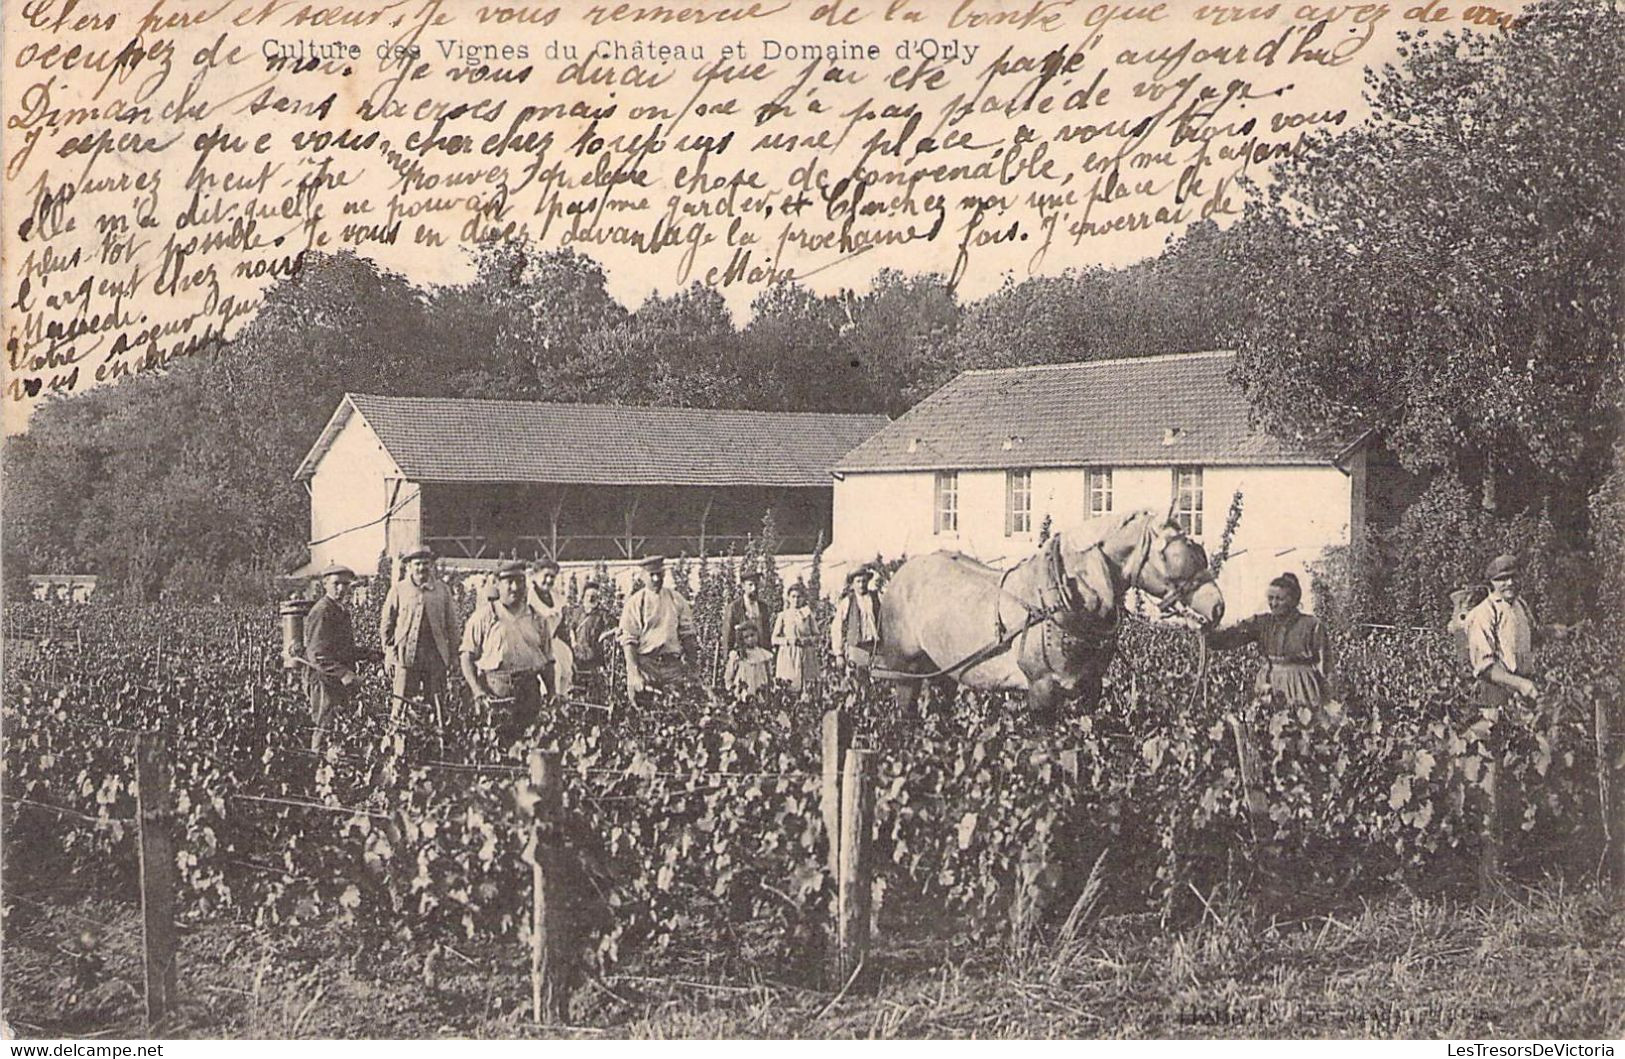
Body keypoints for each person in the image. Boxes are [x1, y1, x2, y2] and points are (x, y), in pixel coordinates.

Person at [1204, 573, 1333, 709]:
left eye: (1279, 599)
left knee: (1302, 723)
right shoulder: (1261, 623)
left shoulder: (1311, 625)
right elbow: (1230, 638)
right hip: (1269, 684)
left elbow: (1325, 665)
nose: (1273, 603)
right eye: (1270, 598)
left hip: (1301, 686)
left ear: (1293, 600)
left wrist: (1330, 701)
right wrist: (1207, 631)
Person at [461, 561, 555, 741]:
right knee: (497, 747)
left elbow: (548, 661)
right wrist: (477, 690)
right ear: (496, 583)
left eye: (520, 581)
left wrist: (552, 692)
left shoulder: (537, 619)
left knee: (529, 745)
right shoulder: (484, 617)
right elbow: (466, 656)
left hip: (529, 691)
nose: (515, 587)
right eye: (509, 581)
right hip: (496, 692)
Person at [1463, 554, 1571, 707]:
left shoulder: (1520, 604)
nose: (1510, 583)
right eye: (1502, 579)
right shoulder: (1483, 613)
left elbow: (1530, 637)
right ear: (1491, 583)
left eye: (1514, 577)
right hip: (1496, 693)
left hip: (1522, 686)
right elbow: (1484, 668)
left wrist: (1551, 631)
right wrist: (1520, 684)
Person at [378, 546, 458, 718]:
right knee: (401, 705)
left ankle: (437, 741)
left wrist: (453, 656)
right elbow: (387, 624)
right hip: (406, 656)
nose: (422, 568)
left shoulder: (442, 590)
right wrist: (389, 653)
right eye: (417, 564)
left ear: (431, 565)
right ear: (409, 566)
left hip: (435, 657)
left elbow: (452, 626)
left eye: (426, 563)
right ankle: (397, 740)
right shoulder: (399, 590)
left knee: (437, 706)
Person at [618, 555, 703, 704]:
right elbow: (629, 641)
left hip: (672, 667)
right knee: (645, 713)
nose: (656, 579)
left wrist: (693, 669)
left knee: (680, 710)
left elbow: (688, 636)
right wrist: (634, 673)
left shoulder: (676, 599)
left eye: (659, 574)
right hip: (647, 666)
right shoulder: (635, 603)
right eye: (652, 575)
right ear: (643, 577)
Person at [303, 566, 373, 743]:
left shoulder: (340, 610)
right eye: (336, 583)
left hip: (334, 679)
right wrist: (344, 673)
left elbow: (342, 650)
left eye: (345, 584)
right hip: (323, 680)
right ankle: (318, 767)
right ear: (325, 584)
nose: (341, 588)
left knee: (339, 728)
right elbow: (317, 655)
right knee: (324, 728)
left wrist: (370, 654)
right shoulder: (322, 611)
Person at [528, 559, 573, 696]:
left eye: (552, 577)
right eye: (545, 575)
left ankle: (560, 709)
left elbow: (562, 628)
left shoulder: (556, 597)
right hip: (534, 646)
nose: (548, 580)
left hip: (554, 643)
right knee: (550, 676)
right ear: (535, 575)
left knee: (566, 672)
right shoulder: (528, 598)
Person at [567, 582, 616, 702]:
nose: (590, 598)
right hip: (577, 653)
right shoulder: (577, 612)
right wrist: (573, 642)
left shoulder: (602, 614)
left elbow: (616, 628)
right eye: (588, 595)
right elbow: (571, 628)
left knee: (593, 685)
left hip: (594, 655)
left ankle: (591, 708)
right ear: (584, 596)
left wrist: (603, 636)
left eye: (593, 595)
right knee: (575, 682)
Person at [771, 583, 820, 696]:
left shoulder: (808, 615)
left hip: (806, 654)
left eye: (799, 597)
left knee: (808, 687)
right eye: (793, 596)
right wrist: (787, 641)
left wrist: (808, 640)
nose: (796, 600)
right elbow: (774, 638)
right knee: (789, 686)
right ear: (788, 598)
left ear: (803, 598)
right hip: (789, 655)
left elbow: (817, 635)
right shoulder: (783, 615)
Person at [831, 565, 883, 672]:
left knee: (880, 682)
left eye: (864, 581)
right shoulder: (847, 601)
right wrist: (839, 654)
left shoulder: (876, 598)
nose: (861, 585)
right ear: (853, 584)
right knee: (857, 681)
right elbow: (837, 628)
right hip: (856, 648)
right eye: (858, 581)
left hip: (876, 647)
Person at [720, 570, 774, 662]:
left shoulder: (763, 607)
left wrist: (768, 652)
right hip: (742, 654)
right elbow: (728, 634)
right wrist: (728, 657)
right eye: (750, 585)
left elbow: (766, 632)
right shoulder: (734, 607)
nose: (754, 588)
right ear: (743, 586)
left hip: (760, 653)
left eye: (756, 585)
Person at [724, 622, 774, 700]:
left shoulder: (764, 654)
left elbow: (769, 674)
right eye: (746, 637)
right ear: (742, 639)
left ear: (757, 635)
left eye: (752, 635)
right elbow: (729, 674)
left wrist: (770, 687)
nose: (750, 639)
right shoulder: (738, 655)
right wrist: (731, 688)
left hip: (760, 687)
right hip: (743, 689)